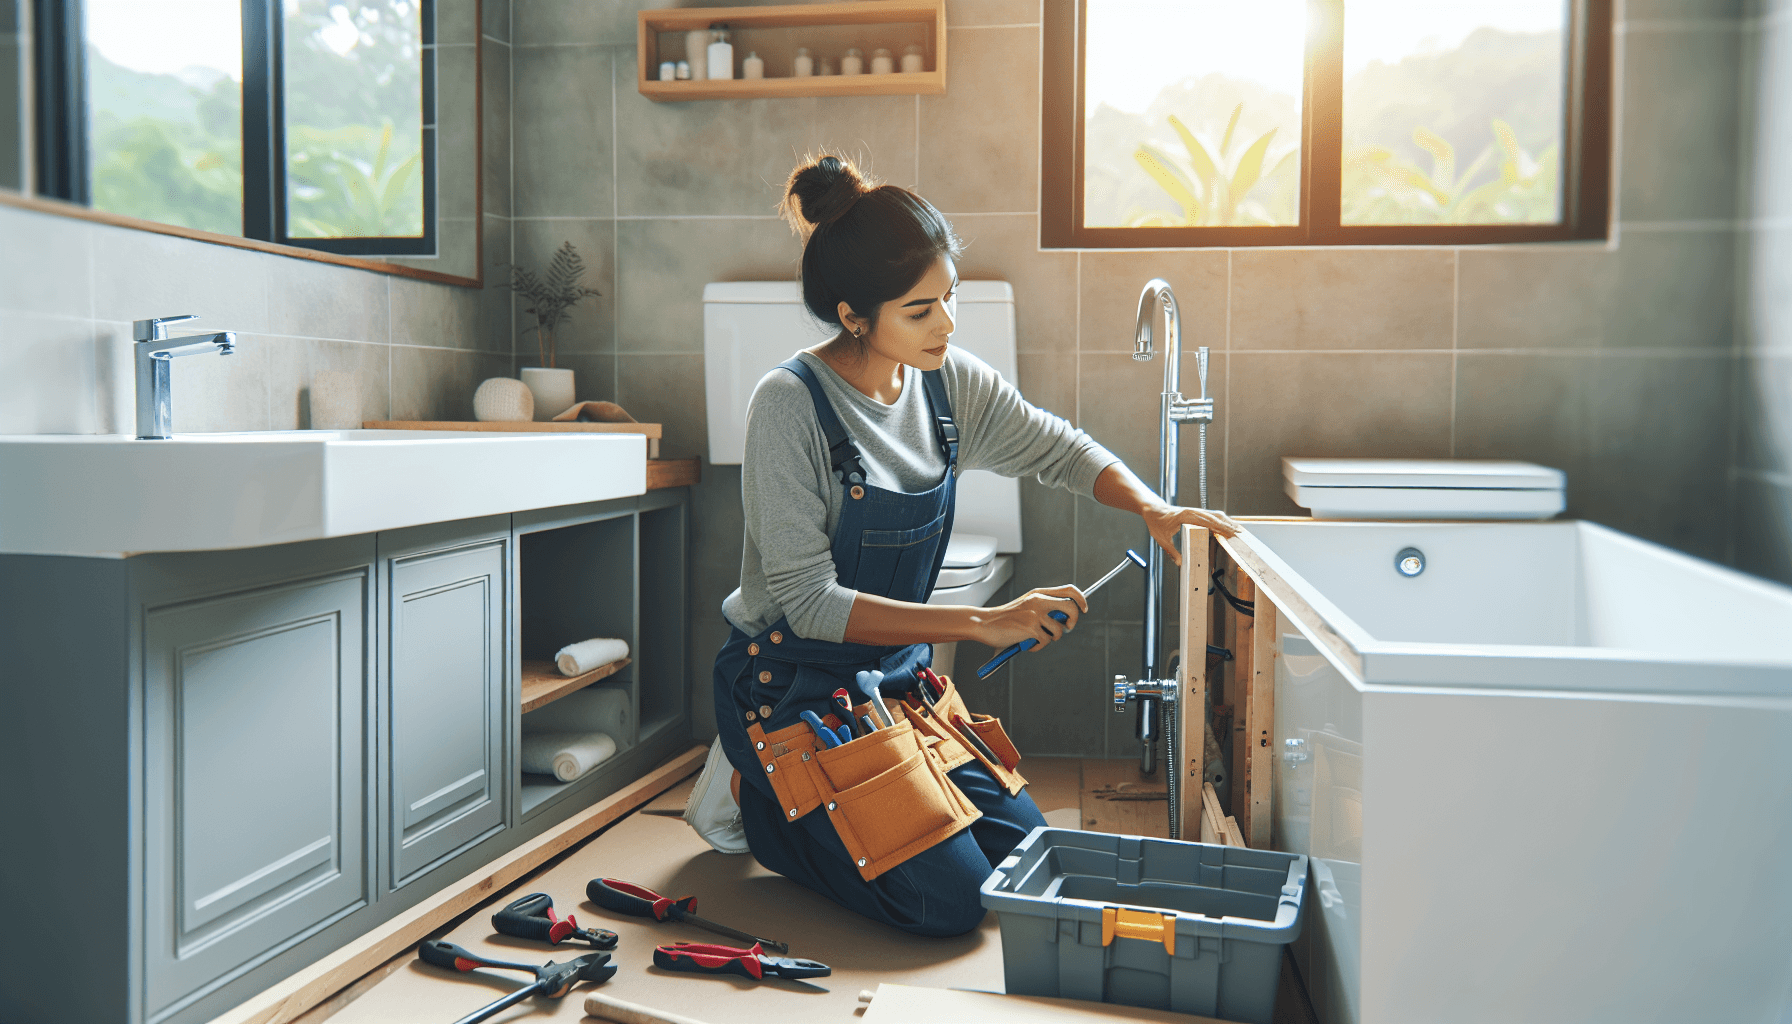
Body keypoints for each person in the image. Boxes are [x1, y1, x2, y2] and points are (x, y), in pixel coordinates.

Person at [684, 154, 1237, 937]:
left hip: (896, 682)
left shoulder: (946, 381)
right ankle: (761, 800)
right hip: (790, 684)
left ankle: (872, 785)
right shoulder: (790, 406)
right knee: (947, 903)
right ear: (853, 316)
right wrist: (985, 623)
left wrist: (1153, 506)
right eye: (920, 311)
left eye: (951, 298)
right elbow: (810, 606)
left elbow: (1059, 448)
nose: (946, 324)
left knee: (1028, 860)